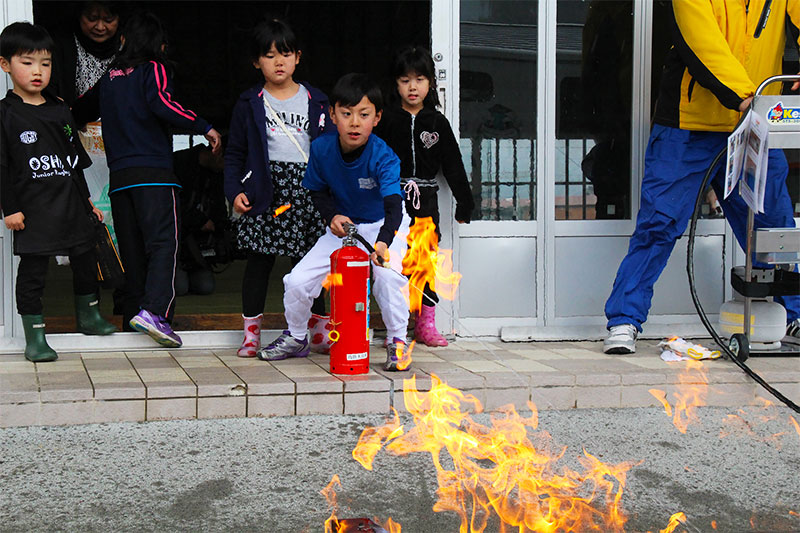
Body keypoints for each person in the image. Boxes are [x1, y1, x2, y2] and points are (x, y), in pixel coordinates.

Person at [603, 1, 800, 354]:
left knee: (773, 230)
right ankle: (624, 319)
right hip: (690, 124)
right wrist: (744, 94)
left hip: (756, 122)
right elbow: (701, 39)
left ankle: (793, 316)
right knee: (659, 223)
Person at [73, 12, 222, 348]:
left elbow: (81, 109)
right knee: (163, 244)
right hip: (153, 175)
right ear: (160, 45)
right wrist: (204, 126)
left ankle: (132, 319)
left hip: (120, 180)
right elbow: (162, 103)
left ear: (124, 41)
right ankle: (155, 313)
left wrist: (58, 116)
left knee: (134, 253)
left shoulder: (110, 76)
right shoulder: (152, 68)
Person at [258, 73, 411, 371]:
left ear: (377, 118)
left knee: (389, 278)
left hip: (384, 225)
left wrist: (383, 243)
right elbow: (316, 191)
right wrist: (331, 216)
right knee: (297, 280)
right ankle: (297, 337)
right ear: (332, 115)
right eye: (346, 113)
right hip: (345, 228)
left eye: (364, 114)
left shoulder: (384, 156)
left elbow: (393, 205)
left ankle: (397, 342)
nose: (355, 122)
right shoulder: (322, 149)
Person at [0, 22, 116, 362]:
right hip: (34, 210)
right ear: (5, 64)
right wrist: (10, 209)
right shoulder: (5, 115)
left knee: (86, 258)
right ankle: (34, 336)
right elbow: (2, 168)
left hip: (71, 205)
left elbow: (73, 162)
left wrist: (89, 203)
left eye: (45, 64)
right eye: (27, 62)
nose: (37, 71)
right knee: (34, 272)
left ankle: (89, 316)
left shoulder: (60, 109)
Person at [224, 18, 330, 358]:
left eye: (285, 54)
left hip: (309, 190)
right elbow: (236, 152)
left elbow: (330, 150)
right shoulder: (249, 102)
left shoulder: (317, 100)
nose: (278, 61)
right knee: (259, 262)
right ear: (257, 62)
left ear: (298, 57)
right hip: (265, 190)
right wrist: (233, 191)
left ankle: (318, 330)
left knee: (310, 264)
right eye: (269, 56)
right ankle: (252, 334)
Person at [375, 46, 474, 347]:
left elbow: (454, 166)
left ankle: (426, 323)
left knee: (425, 261)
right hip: (393, 199)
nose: (412, 87)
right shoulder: (388, 120)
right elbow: (374, 158)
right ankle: (396, 322)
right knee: (392, 261)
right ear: (396, 84)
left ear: (430, 83)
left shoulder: (437, 123)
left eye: (419, 79)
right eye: (405, 80)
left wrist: (465, 202)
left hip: (426, 200)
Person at [51, 1, 121, 107]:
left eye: (108, 20)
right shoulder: (62, 45)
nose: (100, 27)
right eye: (92, 19)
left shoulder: (129, 46)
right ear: (79, 15)